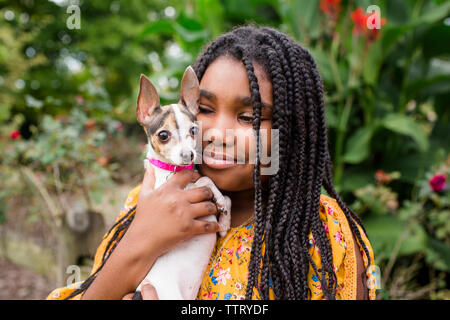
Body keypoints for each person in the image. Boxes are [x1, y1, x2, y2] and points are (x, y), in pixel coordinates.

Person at [47, 24, 377, 300]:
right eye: (204, 110)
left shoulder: (320, 234)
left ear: (291, 133)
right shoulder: (145, 202)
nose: (217, 134)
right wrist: (139, 242)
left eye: (249, 117)